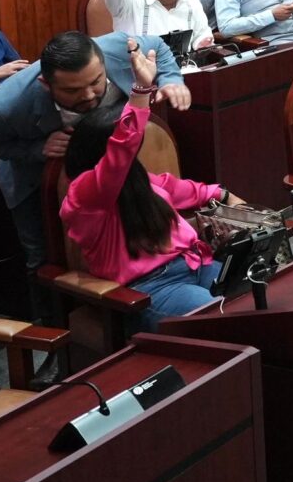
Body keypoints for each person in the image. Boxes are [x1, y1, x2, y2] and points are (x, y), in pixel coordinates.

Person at [0, 29, 187, 273]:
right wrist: (36, 149)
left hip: (115, 162)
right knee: (44, 259)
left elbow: (157, 45)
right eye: (72, 91)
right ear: (46, 84)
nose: (89, 95)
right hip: (38, 180)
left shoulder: (118, 47)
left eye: (96, 82)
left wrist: (171, 79)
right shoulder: (7, 104)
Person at [60, 60, 238, 329]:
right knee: (221, 319)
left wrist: (236, 204)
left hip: (196, 264)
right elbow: (121, 151)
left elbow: (203, 191)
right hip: (151, 286)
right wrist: (141, 91)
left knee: (258, 298)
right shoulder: (84, 195)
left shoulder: (141, 180)